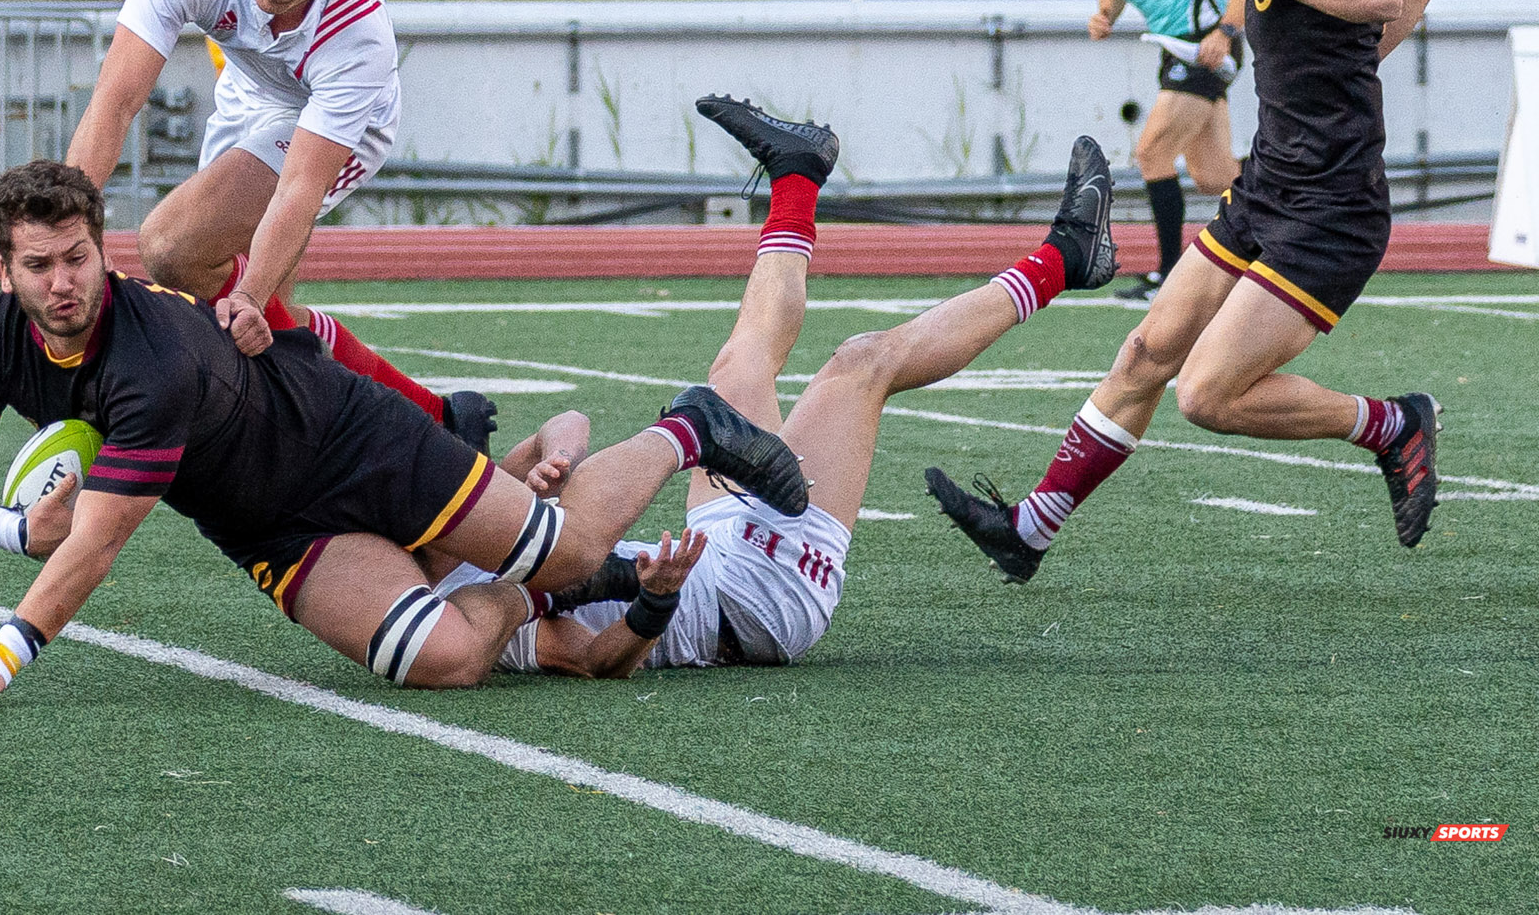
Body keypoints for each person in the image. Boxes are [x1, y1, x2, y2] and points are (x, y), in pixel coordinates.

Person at [0, 160, 808, 697]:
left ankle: (692, 426)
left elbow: (96, 545)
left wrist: (6, 648)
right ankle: (528, 596)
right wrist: (11, 527)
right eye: (39, 265)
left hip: (354, 440)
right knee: (440, 661)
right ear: (4, 269)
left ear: (103, 248)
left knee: (568, 550)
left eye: (78, 257)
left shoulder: (151, 361)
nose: (63, 282)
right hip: (270, 523)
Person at [929, 0, 1443, 585]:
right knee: (1146, 349)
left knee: (1207, 394)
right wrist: (1350, 70)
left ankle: (1391, 423)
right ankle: (1031, 527)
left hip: (1330, 214)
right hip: (1269, 188)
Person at [429, 98, 1121, 675]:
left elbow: (554, 438)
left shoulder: (453, 535)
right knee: (861, 363)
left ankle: (796, 173)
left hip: (718, 541)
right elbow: (593, 659)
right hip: (757, 598)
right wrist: (655, 604)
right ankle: (1065, 258)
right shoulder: (470, 614)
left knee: (741, 365)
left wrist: (552, 449)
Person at [62, 0, 494, 453]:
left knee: (174, 250)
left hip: (341, 127)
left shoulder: (359, 31)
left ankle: (389, 427)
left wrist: (249, 296)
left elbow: (299, 186)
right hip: (244, 97)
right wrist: (57, 231)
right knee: (263, 337)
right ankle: (439, 419)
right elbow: (115, 101)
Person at [1092, 0, 1246, 302]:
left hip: (1207, 47)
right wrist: (1105, 13)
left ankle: (1169, 276)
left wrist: (1226, 33)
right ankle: (1295, 218)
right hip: (1172, 49)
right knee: (1215, 176)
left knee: (1152, 152)